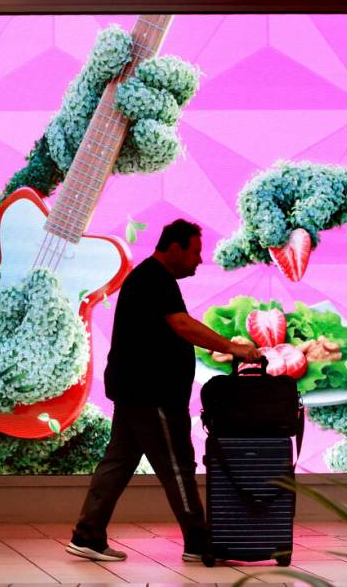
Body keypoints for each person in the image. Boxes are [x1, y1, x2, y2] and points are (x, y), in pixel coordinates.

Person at [66, 218, 261, 563]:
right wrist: (234, 348)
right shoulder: (155, 279)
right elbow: (182, 325)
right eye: (195, 251)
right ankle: (198, 541)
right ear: (174, 248)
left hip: (134, 391)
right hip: (152, 394)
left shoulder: (150, 278)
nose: (199, 260)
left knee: (119, 462)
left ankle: (88, 534)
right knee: (177, 465)